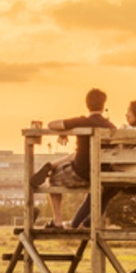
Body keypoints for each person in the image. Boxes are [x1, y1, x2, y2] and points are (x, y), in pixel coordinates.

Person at [28, 89, 113, 226]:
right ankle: (52, 164)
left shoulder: (82, 121)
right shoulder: (110, 126)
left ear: (87, 104)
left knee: (53, 178)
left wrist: (65, 130)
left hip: (81, 174)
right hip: (102, 176)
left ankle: (57, 221)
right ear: (103, 106)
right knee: (75, 154)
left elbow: (52, 124)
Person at [70, 98, 136, 229]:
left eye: (129, 112)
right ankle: (85, 224)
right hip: (133, 173)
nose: (126, 114)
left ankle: (76, 225)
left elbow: (114, 146)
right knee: (104, 197)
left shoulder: (128, 131)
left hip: (119, 171)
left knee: (95, 194)